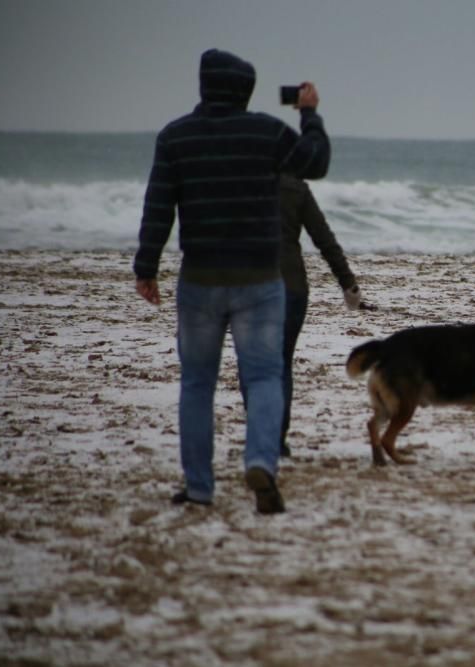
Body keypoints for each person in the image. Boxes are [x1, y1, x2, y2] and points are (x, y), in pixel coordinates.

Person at [132, 48, 330, 514]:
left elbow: (158, 206)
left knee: (198, 383)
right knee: (263, 376)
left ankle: (199, 487)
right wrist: (310, 115)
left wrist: (146, 267)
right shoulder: (267, 131)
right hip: (260, 279)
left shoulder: (175, 137)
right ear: (246, 90)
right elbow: (315, 163)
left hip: (200, 278)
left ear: (205, 87)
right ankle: (261, 461)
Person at [240, 174, 369, 458]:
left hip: (250, 286)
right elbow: (324, 239)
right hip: (291, 287)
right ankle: (276, 439)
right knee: (281, 363)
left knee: (252, 363)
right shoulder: (295, 188)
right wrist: (347, 282)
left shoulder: (240, 181)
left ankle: (260, 434)